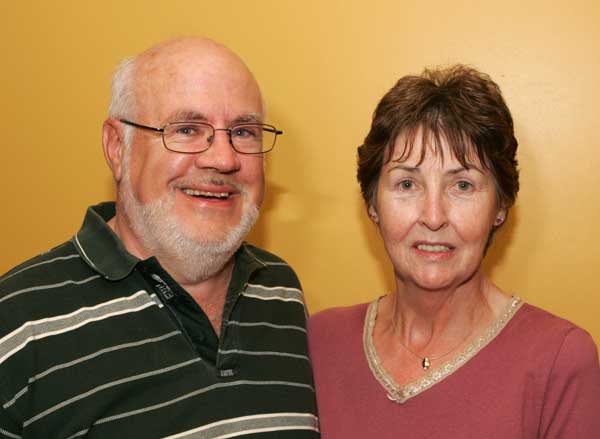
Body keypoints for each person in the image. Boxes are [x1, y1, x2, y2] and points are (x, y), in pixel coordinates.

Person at [0, 37, 318, 438]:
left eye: (243, 132)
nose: (223, 158)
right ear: (118, 148)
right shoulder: (16, 324)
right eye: (186, 128)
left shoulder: (280, 291)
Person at [308, 65, 600, 438]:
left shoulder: (559, 360)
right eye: (407, 183)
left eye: (462, 185)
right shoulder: (319, 342)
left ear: (500, 205)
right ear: (372, 203)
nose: (433, 216)